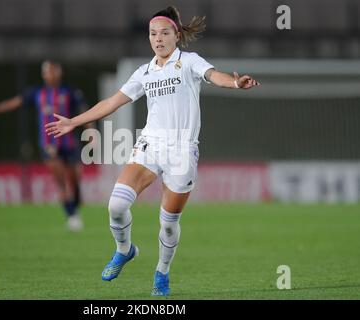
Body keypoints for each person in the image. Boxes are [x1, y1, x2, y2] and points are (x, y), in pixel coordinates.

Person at [45, 6, 260, 296]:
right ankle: (125, 249)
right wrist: (74, 121)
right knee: (116, 206)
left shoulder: (189, 61)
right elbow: (112, 102)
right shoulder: (144, 72)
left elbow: (213, 75)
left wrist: (234, 82)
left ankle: (162, 273)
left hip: (183, 151)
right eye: (153, 34)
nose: (158, 39)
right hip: (151, 145)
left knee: (168, 224)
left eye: (164, 33)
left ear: (177, 35)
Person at [0, 60, 93, 232]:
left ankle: (74, 207)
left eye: (52, 71)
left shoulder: (70, 92)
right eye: (46, 71)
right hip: (49, 144)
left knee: (74, 180)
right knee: (60, 180)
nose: (49, 74)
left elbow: (84, 112)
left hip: (68, 143)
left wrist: (90, 132)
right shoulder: (36, 93)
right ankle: (71, 216)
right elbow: (12, 103)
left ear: (58, 73)